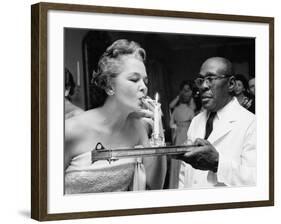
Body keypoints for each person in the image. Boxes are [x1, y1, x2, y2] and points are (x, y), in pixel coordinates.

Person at [64, 39, 166, 194]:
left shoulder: (138, 128)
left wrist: (159, 128)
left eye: (145, 81)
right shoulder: (70, 130)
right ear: (110, 85)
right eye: (134, 79)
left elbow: (155, 185)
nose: (144, 87)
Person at [174, 57, 256, 188]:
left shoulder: (251, 123)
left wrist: (218, 163)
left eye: (210, 79)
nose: (204, 86)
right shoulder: (196, 121)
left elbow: (257, 181)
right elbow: (184, 176)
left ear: (231, 84)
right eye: (201, 80)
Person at [167, 80, 195, 188]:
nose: (186, 92)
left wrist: (177, 127)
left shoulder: (191, 104)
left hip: (183, 134)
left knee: (182, 157)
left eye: (188, 90)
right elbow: (171, 106)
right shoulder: (182, 107)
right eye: (184, 90)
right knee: (181, 157)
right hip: (181, 134)